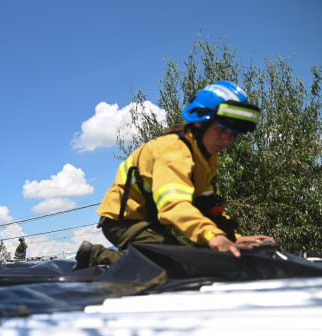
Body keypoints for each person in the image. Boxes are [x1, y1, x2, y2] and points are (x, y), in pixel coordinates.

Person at [75, 81, 274, 270]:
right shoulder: (172, 152)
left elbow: (210, 207)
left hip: (152, 224)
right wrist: (214, 236)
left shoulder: (207, 159)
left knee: (195, 257)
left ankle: (135, 256)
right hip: (124, 221)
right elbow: (174, 205)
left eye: (233, 134)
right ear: (199, 123)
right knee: (177, 262)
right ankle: (94, 257)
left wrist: (232, 238)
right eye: (222, 129)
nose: (227, 139)